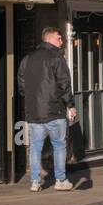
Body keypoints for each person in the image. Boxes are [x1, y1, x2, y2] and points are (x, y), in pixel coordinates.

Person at [17, 26, 78, 192]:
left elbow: (22, 86)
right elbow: (64, 84)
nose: (62, 41)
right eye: (59, 38)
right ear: (49, 39)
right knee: (59, 145)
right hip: (54, 111)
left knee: (35, 147)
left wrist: (31, 99)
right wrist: (70, 105)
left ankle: (35, 182)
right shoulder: (57, 58)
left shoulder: (27, 59)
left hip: (34, 113)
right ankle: (60, 180)